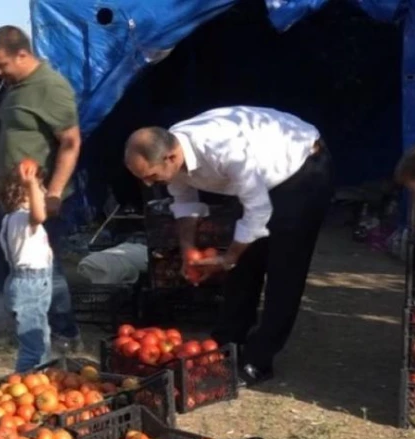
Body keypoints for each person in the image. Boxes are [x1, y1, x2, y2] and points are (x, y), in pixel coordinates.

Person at [123, 105, 334, 387]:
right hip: (257, 177)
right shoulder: (174, 154)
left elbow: (257, 213)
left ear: (171, 157)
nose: (149, 183)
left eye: (151, 175)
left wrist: (229, 256)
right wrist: (188, 251)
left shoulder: (224, 150)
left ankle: (259, 360)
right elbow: (185, 202)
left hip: (301, 169)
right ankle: (227, 342)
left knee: (284, 269)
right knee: (244, 267)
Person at [0, 25, 83, 354]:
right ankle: (0, 323)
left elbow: (70, 142)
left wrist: (53, 193)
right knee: (2, 260)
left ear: (21, 55)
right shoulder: (16, 86)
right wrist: (0, 184)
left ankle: (65, 332)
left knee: (46, 270)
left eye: (1, 65)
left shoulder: (51, 87)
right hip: (11, 198)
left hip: (38, 200)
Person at [0, 159, 55, 372]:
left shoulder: (12, 220)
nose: (45, 191)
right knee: (33, 347)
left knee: (41, 337)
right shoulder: (22, 219)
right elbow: (39, 215)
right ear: (24, 193)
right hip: (30, 286)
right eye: (41, 187)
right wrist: (31, 184)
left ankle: (42, 377)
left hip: (32, 283)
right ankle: (25, 381)